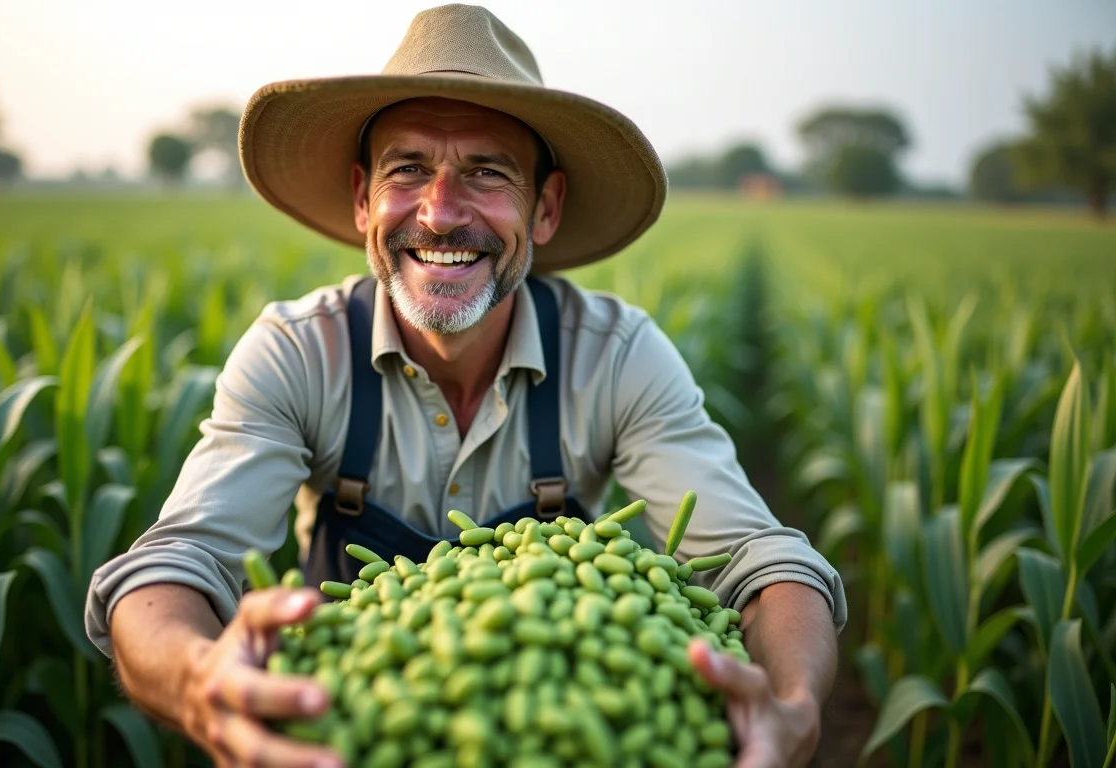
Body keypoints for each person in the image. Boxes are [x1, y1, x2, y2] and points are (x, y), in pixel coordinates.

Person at [86, 5, 846, 767]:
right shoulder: (298, 354)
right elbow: (175, 564)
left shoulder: (617, 358)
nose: (441, 214)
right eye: (408, 168)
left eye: (487, 172)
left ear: (543, 208)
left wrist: (794, 708)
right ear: (363, 200)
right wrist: (195, 679)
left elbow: (761, 560)